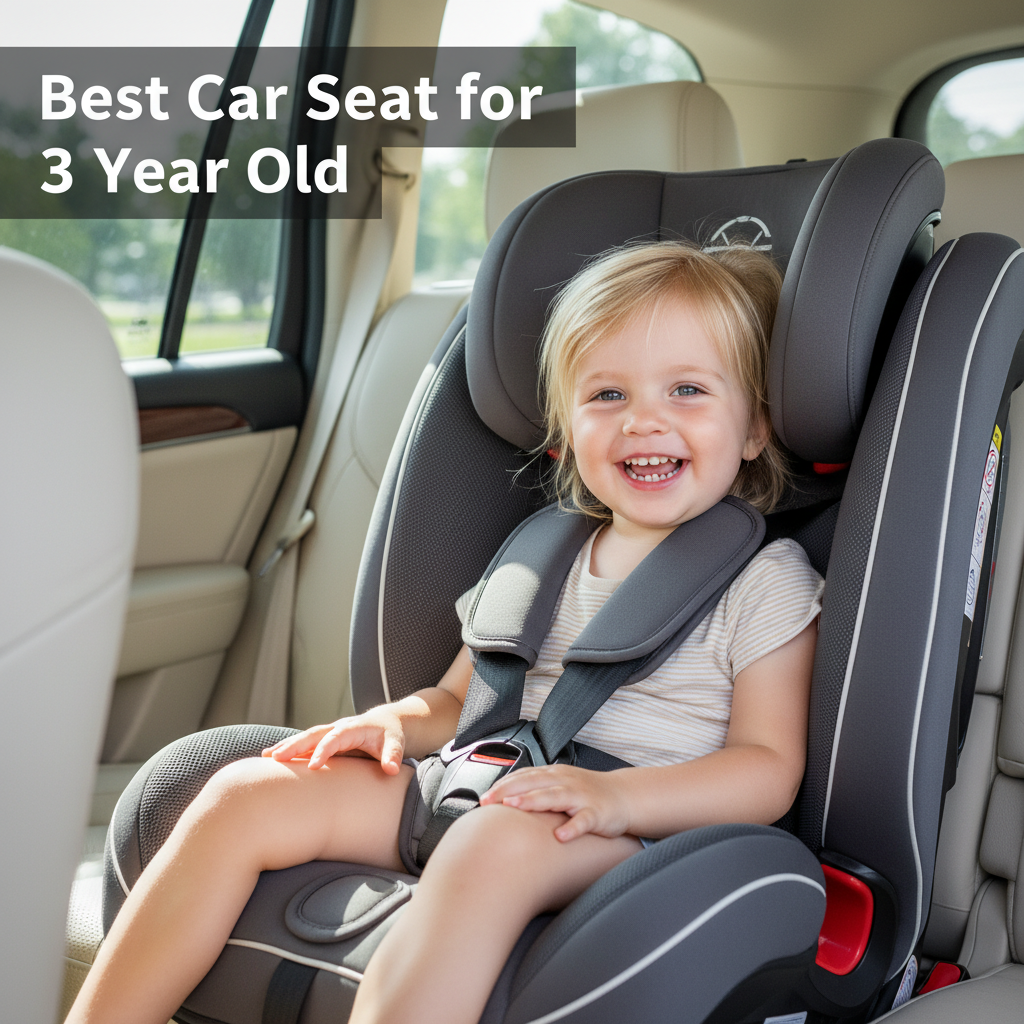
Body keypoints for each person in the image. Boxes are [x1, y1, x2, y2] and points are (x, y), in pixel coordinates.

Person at [67, 241, 823, 1024]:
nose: (643, 420)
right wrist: (387, 724)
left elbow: (767, 770)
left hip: (625, 834)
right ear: (565, 430)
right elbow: (455, 700)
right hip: (471, 782)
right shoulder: (537, 555)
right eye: (606, 395)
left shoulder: (765, 579)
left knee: (487, 846)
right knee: (244, 792)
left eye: (688, 390)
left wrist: (613, 798)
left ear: (755, 428)